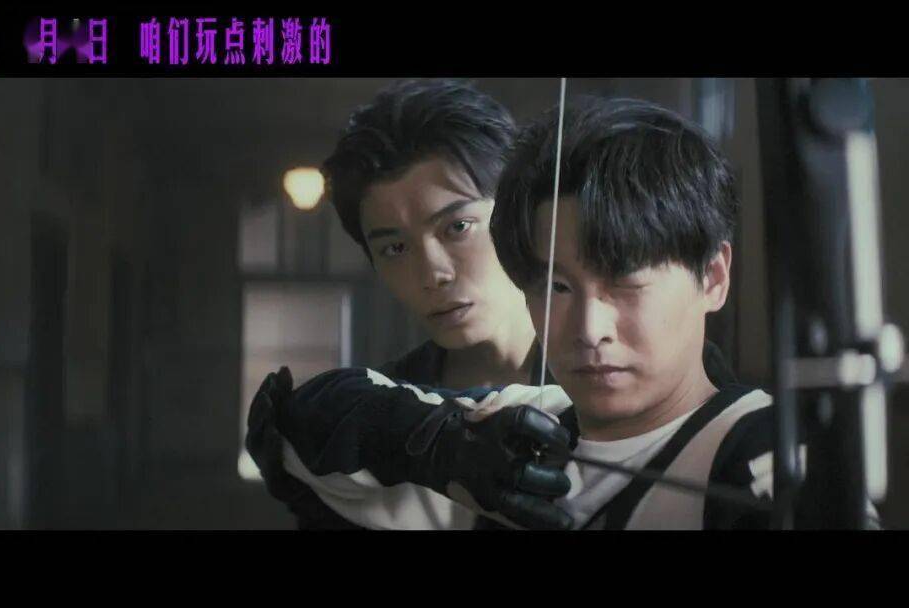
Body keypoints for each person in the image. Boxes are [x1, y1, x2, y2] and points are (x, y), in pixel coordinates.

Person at [247, 83, 737, 529]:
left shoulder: (664, 383)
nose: (432, 273)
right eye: (394, 248)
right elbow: (295, 432)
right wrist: (438, 445)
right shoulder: (377, 415)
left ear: (519, 215)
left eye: (457, 227)